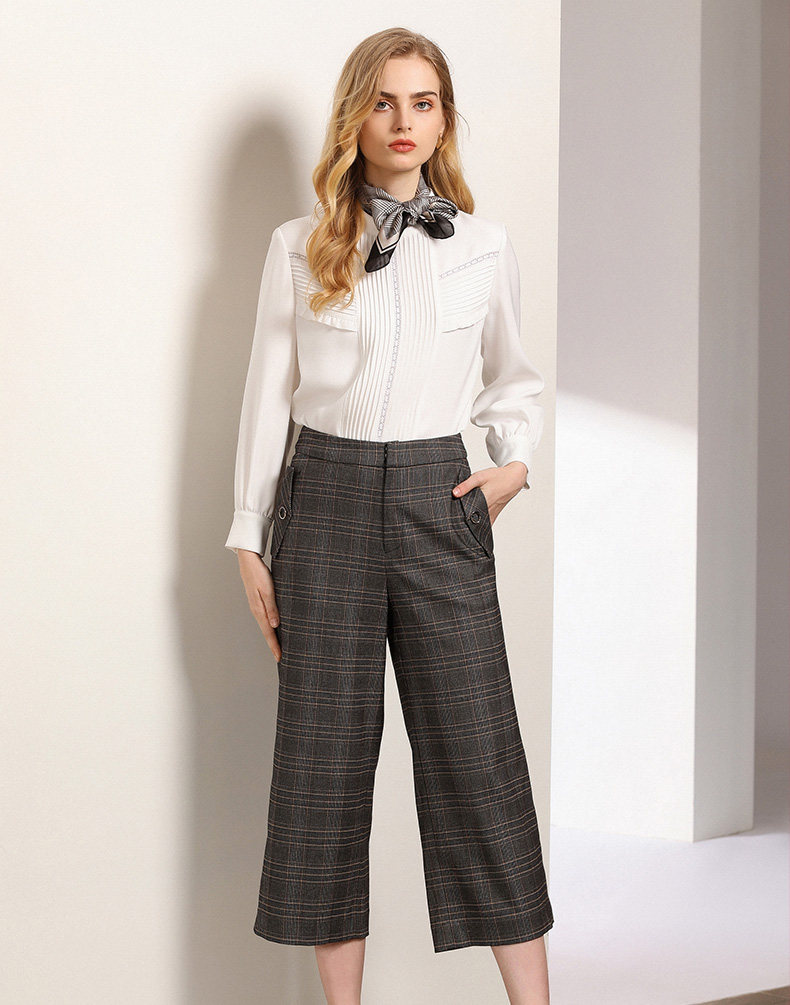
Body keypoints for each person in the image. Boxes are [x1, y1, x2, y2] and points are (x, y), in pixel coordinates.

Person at [225, 27, 554, 1005]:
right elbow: (266, 396)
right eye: (382, 101)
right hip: (320, 505)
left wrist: (511, 467)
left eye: (422, 102)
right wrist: (247, 533)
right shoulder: (298, 244)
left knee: (480, 759)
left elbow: (515, 378)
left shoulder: (483, 246)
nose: (403, 121)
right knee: (322, 773)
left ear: (443, 118)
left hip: (437, 501)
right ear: (354, 117)